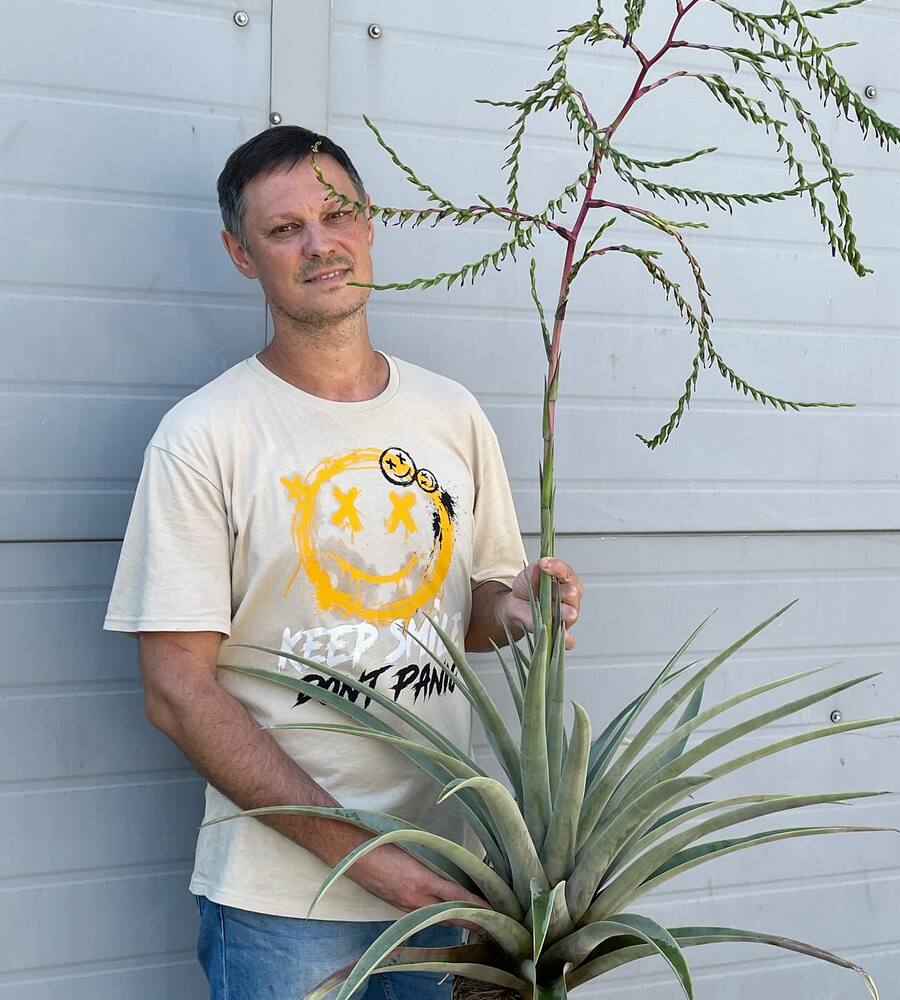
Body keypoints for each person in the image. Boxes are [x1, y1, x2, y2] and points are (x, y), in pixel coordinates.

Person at [103, 125, 584, 1000]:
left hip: (453, 883)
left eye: (339, 214)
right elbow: (177, 690)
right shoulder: (203, 438)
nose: (320, 244)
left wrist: (517, 611)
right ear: (240, 253)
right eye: (284, 229)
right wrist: (370, 862)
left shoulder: (451, 414)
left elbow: (466, 622)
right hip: (284, 904)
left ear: (370, 222)